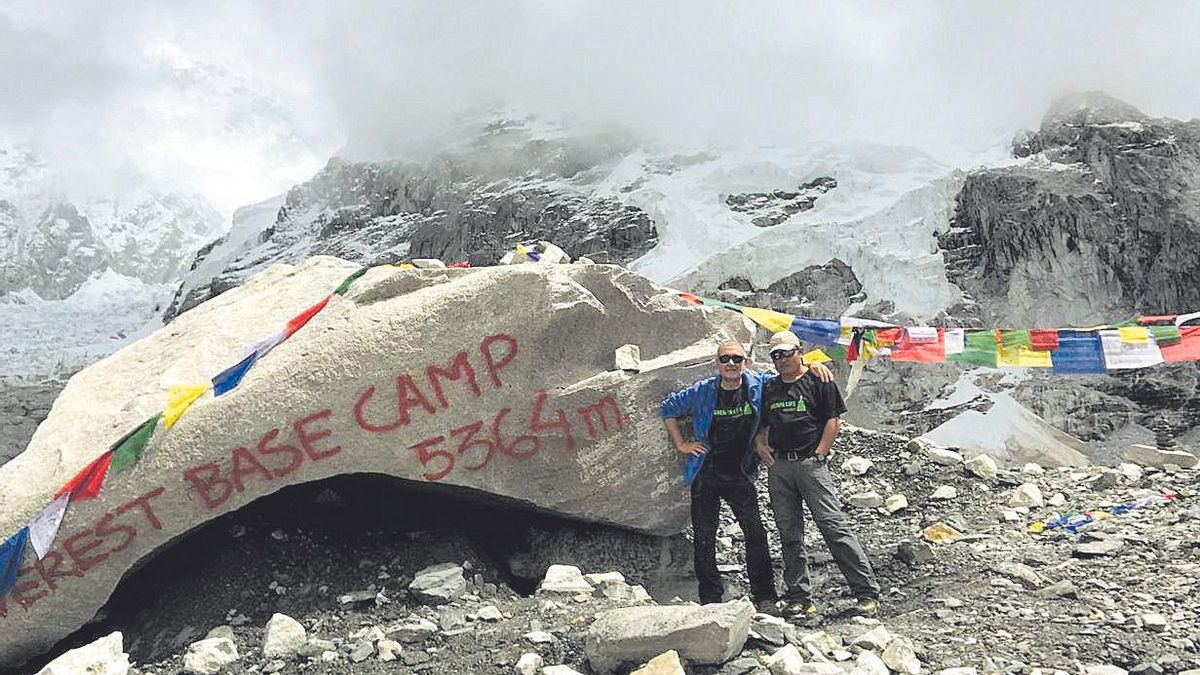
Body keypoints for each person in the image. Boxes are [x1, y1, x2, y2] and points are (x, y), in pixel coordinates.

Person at [660, 339, 832, 614]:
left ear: (746, 363)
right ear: (717, 363)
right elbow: (669, 408)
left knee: (755, 534)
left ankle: (765, 596)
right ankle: (711, 600)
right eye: (725, 359)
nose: (731, 364)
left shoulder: (758, 385)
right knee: (705, 537)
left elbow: (787, 376)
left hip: (741, 474)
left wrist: (811, 365)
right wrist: (682, 444)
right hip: (706, 474)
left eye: (736, 359)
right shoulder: (704, 391)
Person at [755, 330, 880, 619]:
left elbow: (832, 420)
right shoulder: (770, 388)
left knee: (833, 527)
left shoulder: (819, 380)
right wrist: (761, 445)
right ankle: (799, 597)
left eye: (787, 353)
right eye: (776, 355)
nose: (782, 359)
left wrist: (820, 453)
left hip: (811, 465)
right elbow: (763, 424)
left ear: (800, 351)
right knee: (789, 533)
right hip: (780, 467)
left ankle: (866, 592)